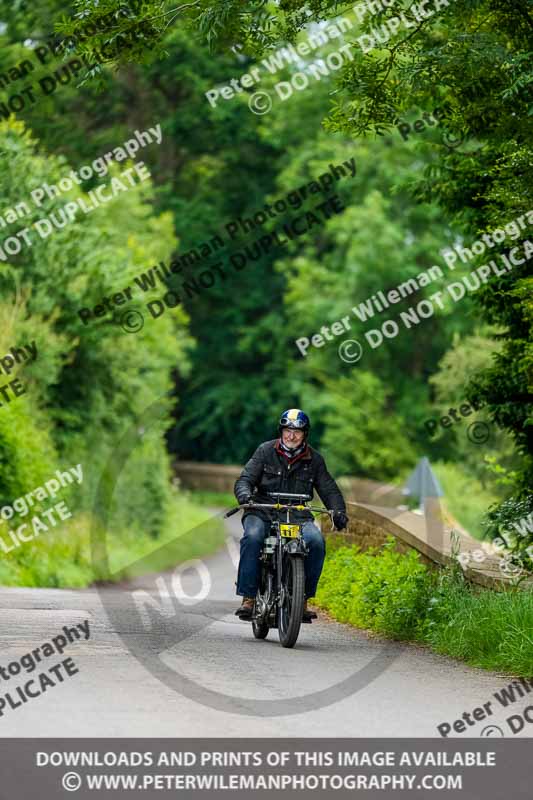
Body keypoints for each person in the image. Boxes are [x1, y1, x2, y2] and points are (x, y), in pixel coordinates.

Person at [233, 408, 348, 622]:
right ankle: (248, 597)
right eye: (287, 430)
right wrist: (245, 495)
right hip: (263, 510)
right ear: (281, 431)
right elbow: (245, 479)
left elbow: (329, 488)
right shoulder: (265, 451)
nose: (291, 436)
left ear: (305, 434)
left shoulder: (315, 460)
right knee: (254, 537)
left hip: (297, 514)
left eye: (297, 431)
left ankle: (301, 600)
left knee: (315, 541)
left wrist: (339, 511)